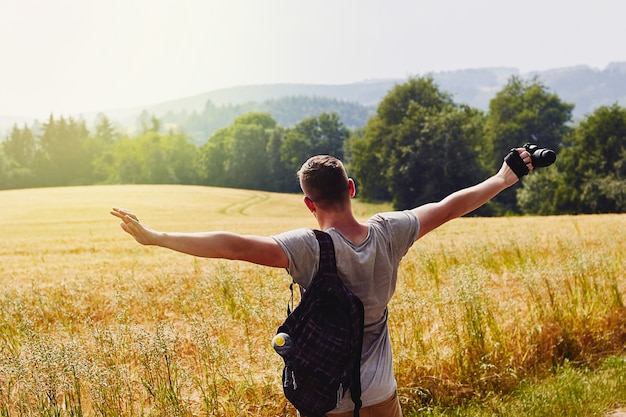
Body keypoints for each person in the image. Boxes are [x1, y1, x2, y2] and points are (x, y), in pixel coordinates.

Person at [110, 148, 534, 417]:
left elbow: (233, 245)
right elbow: (448, 206)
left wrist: (157, 237)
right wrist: (504, 176)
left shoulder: (308, 248)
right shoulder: (389, 232)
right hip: (380, 391)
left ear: (308, 203)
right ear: (350, 188)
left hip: (326, 398)